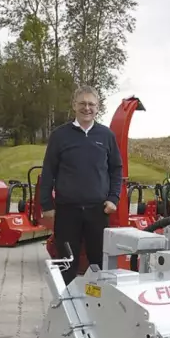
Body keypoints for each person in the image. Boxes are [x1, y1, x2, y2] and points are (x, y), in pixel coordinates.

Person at [39, 85, 123, 284]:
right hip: (67, 211)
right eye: (83, 103)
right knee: (66, 263)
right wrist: (47, 205)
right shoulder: (60, 135)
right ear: (74, 106)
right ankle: (64, 307)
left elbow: (116, 170)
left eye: (91, 104)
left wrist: (113, 198)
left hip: (98, 211)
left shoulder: (106, 136)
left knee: (98, 264)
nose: (87, 108)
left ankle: (99, 308)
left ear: (98, 107)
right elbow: (48, 170)